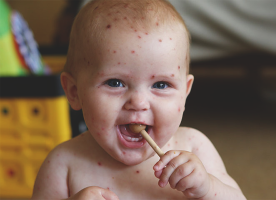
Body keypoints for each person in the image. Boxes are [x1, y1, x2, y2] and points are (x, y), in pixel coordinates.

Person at [32, 0, 246, 199]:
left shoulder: (194, 147)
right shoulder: (62, 164)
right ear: (74, 92)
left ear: (185, 92)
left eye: (161, 85)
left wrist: (207, 187)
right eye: (115, 83)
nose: (139, 102)